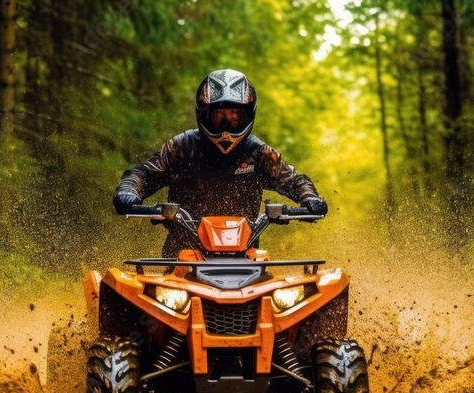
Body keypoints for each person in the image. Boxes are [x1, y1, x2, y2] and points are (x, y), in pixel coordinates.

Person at [112, 68, 328, 257]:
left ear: (247, 115)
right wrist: (129, 191)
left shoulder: (258, 152)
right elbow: (144, 173)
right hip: (181, 255)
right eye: (219, 115)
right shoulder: (182, 146)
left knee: (288, 298)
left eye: (234, 116)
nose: (226, 123)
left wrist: (309, 197)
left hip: (246, 255)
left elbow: (294, 179)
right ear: (204, 114)